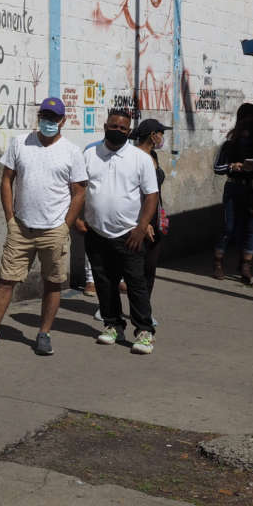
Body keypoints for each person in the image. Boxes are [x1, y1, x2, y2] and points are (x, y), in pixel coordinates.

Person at [0, 98, 86, 356]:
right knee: (5, 280)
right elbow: (6, 181)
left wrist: (65, 226)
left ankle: (44, 334)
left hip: (54, 230)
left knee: (53, 283)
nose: (49, 121)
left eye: (54, 118)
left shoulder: (72, 152)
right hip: (21, 228)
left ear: (63, 121)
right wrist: (10, 219)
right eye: (45, 115)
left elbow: (79, 192)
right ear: (38, 116)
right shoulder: (20, 143)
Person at [79, 109, 159, 354]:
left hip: (129, 234)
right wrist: (77, 220)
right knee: (104, 282)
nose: (118, 131)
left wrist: (141, 227)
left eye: (123, 128)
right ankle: (113, 325)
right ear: (105, 126)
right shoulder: (89, 154)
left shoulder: (140, 159)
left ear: (129, 131)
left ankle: (144, 331)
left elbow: (151, 196)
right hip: (96, 233)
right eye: (113, 126)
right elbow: (79, 189)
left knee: (136, 283)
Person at [212, 103, 253, 283]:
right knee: (229, 227)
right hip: (234, 187)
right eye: (247, 118)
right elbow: (217, 167)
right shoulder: (229, 143)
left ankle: (246, 265)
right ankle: (218, 262)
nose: (249, 124)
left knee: (252, 228)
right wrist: (234, 166)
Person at [131, 118, 170, 300]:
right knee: (133, 268)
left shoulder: (153, 156)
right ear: (153, 136)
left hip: (156, 219)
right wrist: (143, 222)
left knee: (150, 267)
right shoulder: (133, 156)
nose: (163, 138)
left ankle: (144, 309)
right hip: (139, 221)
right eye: (161, 134)